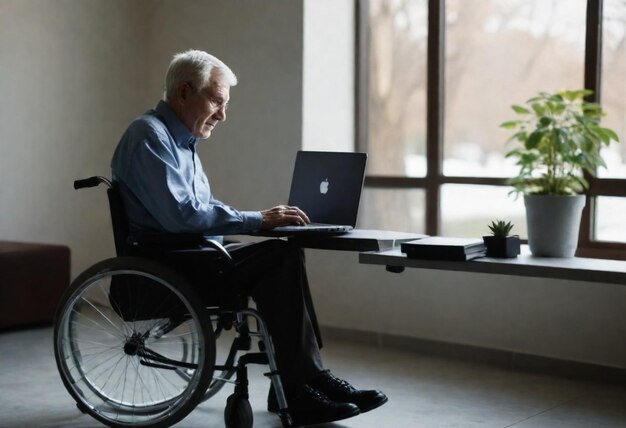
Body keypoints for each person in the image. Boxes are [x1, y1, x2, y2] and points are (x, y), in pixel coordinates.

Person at [110, 49, 387, 426]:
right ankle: (300, 386)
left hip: (188, 254)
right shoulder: (148, 136)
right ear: (183, 93)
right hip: (166, 265)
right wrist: (257, 219)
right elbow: (182, 215)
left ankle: (302, 380)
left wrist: (259, 223)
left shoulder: (182, 144)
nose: (223, 114)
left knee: (283, 253)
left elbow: (193, 211)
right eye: (217, 101)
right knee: (278, 258)